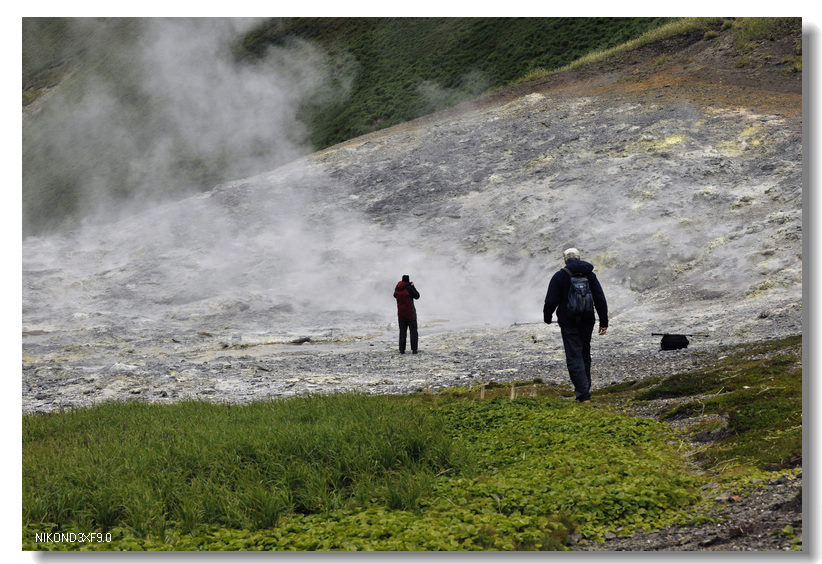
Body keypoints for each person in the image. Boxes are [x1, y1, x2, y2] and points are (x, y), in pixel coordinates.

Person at [543, 248, 608, 403]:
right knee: (585, 353)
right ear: (579, 259)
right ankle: (586, 387)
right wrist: (604, 322)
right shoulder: (590, 275)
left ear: (565, 260)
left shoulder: (560, 276)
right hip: (588, 321)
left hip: (568, 322)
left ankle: (583, 394)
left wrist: (547, 317)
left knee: (574, 356)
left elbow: (551, 301)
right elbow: (600, 299)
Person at [393, 274, 420, 354]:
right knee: (413, 331)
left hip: (401, 314)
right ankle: (414, 350)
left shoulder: (398, 288)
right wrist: (413, 287)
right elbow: (417, 296)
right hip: (410, 313)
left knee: (402, 332)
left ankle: (402, 350)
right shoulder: (409, 288)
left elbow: (394, 295)